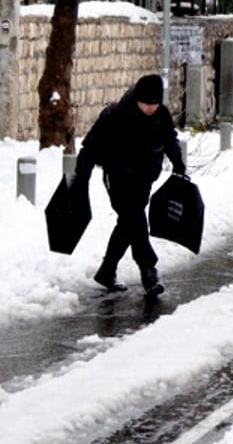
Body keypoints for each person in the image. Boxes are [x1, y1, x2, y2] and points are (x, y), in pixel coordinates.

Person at [73, 74, 184, 297]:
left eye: (155, 104)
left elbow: (170, 140)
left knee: (128, 223)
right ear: (137, 99)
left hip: (144, 178)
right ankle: (148, 271)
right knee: (134, 218)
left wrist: (178, 164)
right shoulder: (115, 115)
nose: (151, 108)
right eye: (147, 104)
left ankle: (107, 270)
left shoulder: (161, 115)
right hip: (118, 178)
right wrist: (81, 177)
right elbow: (90, 147)